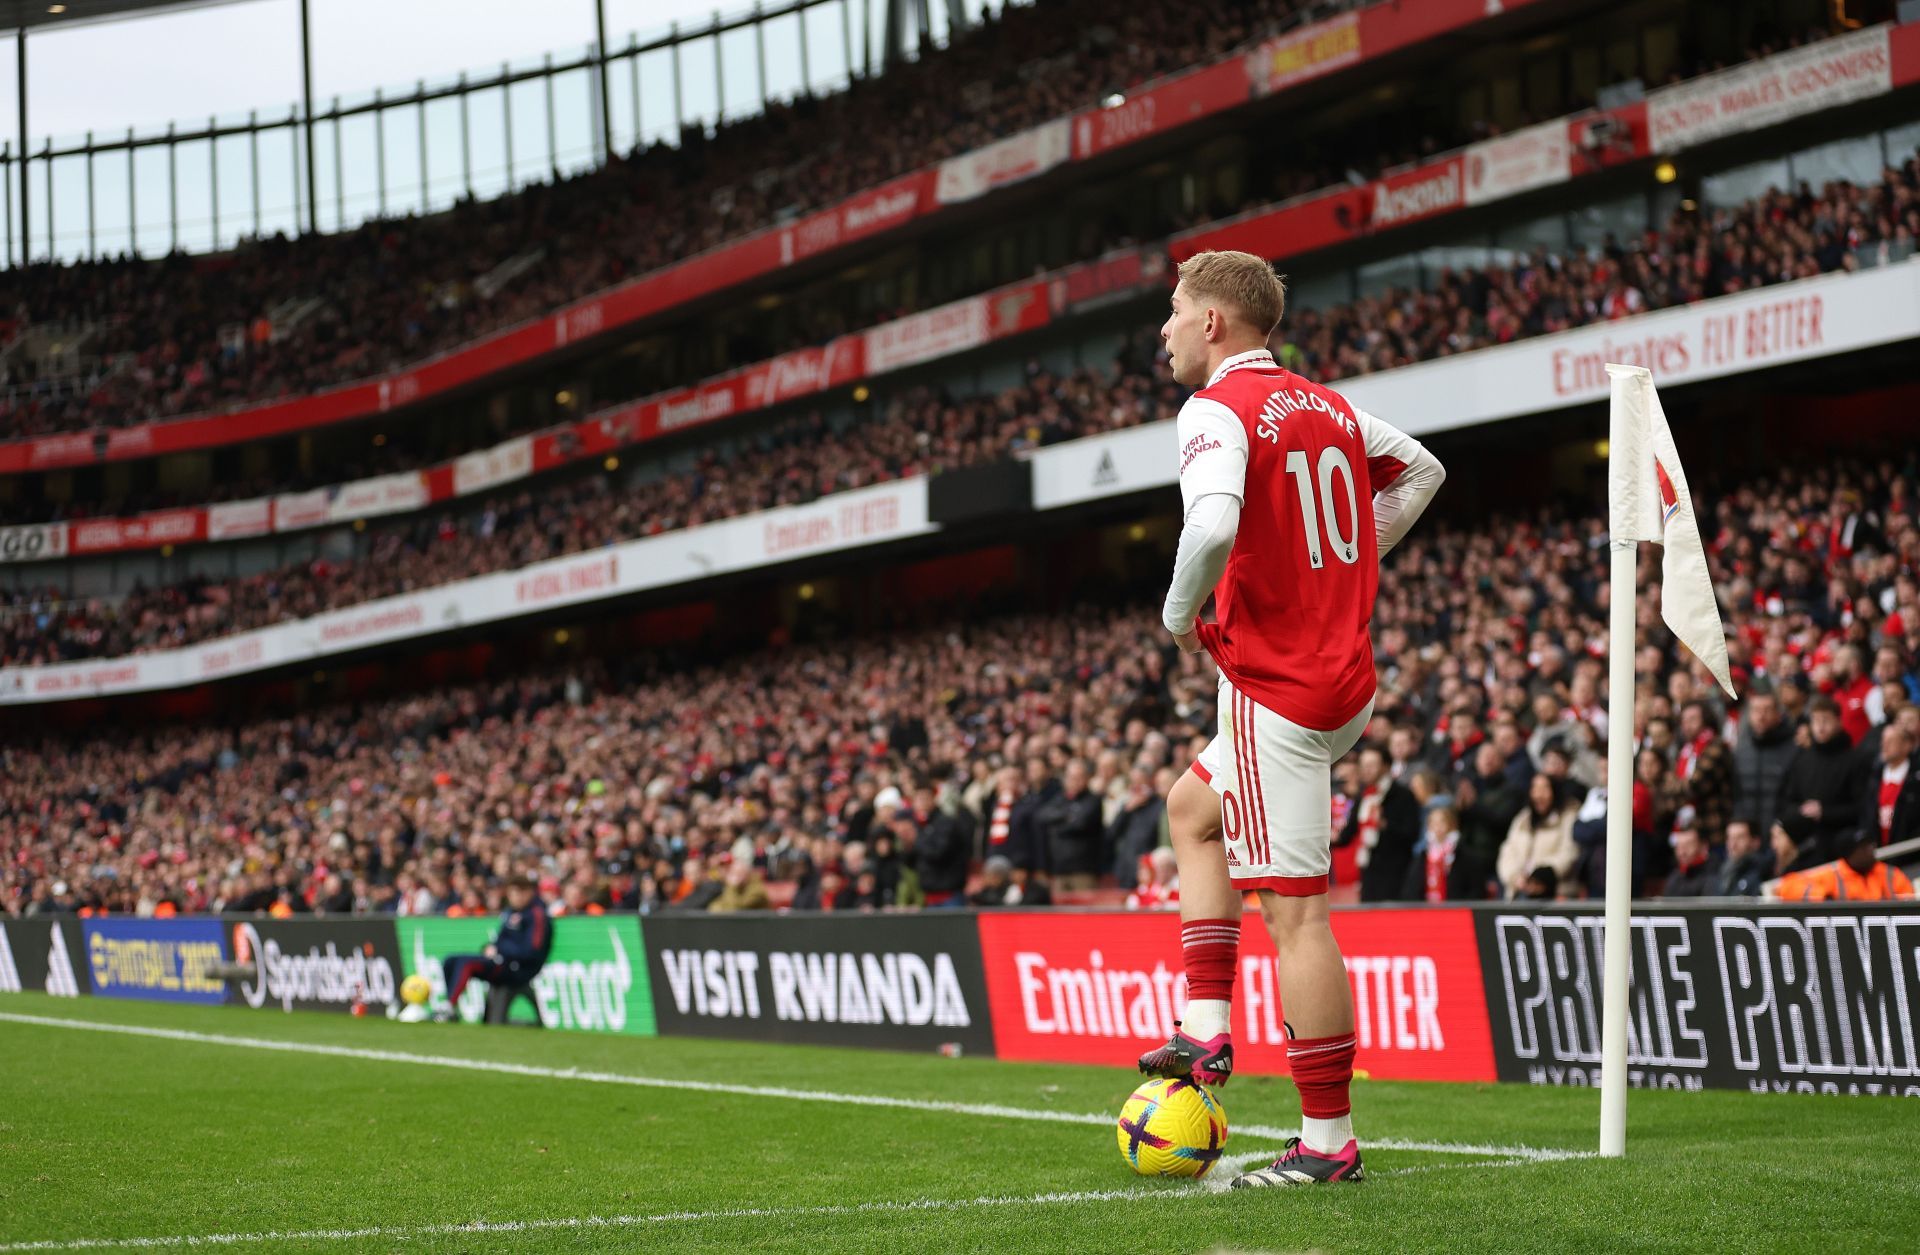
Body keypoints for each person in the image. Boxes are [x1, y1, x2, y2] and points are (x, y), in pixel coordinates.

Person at [1136, 250, 1443, 1189]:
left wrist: (1179, 615)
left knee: (1299, 918)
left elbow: (1215, 523)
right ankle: (1205, 1029)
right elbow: (1422, 469)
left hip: (1279, 688)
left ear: (1216, 325)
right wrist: (1346, 558)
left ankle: (1326, 1141)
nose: (1166, 329)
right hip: (1338, 677)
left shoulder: (1214, 410)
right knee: (1189, 811)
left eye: (1176, 311)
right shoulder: (1328, 406)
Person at [438, 874, 552, 1024]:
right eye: (511, 894)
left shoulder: (536, 915)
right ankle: (451, 1007)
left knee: (467, 964)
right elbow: (500, 941)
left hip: (518, 968)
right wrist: (489, 947)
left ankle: (448, 1008)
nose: (513, 898)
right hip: (502, 961)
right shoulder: (510, 912)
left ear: (528, 892)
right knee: (451, 960)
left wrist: (501, 952)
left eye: (517, 893)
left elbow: (532, 951)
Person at [1776, 695, 1865, 858]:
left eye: (1826, 720)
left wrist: (1824, 812)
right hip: (1807, 845)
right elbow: (1787, 802)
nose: (1820, 727)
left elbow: (1861, 808)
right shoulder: (1802, 759)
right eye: (1816, 721)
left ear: (1839, 721)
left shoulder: (1855, 759)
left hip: (1842, 846)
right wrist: (1801, 811)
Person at [1334, 745, 1420, 902]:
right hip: (1368, 871)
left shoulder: (1403, 795)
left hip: (1396, 873)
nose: (1366, 770)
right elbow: (1348, 833)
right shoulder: (1364, 795)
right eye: (1364, 765)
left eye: (1372, 765)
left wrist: (1385, 825)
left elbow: (1412, 833)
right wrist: (1332, 838)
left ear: (1386, 766)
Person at [1497, 774, 1579, 899]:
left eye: (1544, 789)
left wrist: (1541, 876)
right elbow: (1508, 851)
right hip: (1519, 892)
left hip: (1555, 893)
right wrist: (1515, 877)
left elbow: (1569, 853)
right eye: (1535, 789)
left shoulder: (1568, 817)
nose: (1539, 795)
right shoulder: (1522, 819)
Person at [1774, 832, 1915, 902]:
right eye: (1863, 848)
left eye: (1871, 845)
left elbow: (1909, 903)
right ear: (1849, 854)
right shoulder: (1833, 875)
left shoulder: (1890, 874)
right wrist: (1823, 896)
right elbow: (1785, 886)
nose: (1870, 851)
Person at [1859, 722, 1918, 849]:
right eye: (1883, 740)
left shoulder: (1915, 781)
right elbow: (1866, 816)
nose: (1884, 745)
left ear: (1906, 745)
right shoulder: (1874, 778)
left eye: (1891, 741)